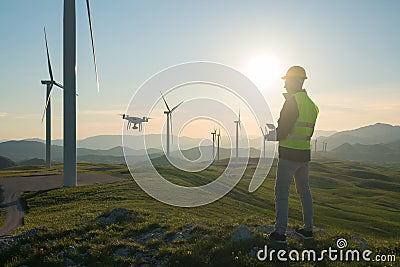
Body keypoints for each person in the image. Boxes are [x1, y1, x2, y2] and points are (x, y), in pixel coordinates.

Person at [267, 66, 319, 244]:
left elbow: (283, 131)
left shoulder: (292, 102)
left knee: (281, 192)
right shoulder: (312, 106)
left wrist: (271, 135)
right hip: (304, 156)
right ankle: (308, 229)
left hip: (288, 155)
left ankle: (280, 233)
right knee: (304, 192)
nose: (285, 86)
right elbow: (302, 130)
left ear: (297, 81)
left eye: (287, 81)